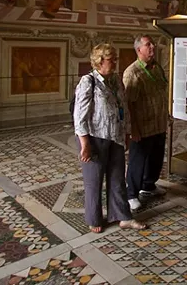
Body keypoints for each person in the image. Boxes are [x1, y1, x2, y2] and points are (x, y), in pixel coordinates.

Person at [72, 43, 148, 233]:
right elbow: (79, 115)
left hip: (115, 136)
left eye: (115, 58)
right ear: (99, 61)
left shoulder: (115, 80)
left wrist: (127, 132)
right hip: (94, 138)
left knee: (117, 179)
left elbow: (124, 108)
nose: (114, 62)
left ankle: (123, 217)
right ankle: (94, 218)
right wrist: (85, 144)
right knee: (94, 181)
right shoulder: (88, 81)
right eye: (110, 59)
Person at [123, 35, 170, 211]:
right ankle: (131, 194)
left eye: (152, 43)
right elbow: (128, 104)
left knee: (156, 158)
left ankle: (148, 185)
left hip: (158, 123)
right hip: (142, 126)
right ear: (138, 50)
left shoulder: (156, 68)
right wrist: (133, 128)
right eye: (148, 44)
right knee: (138, 160)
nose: (152, 47)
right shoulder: (132, 72)